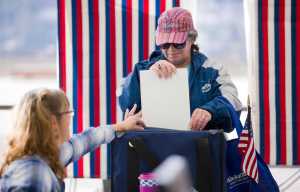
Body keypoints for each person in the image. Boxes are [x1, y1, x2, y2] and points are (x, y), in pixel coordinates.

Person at [118, 7, 242, 131]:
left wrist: (210, 110)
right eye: (165, 45)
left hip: (200, 147)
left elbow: (234, 102)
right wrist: (148, 76)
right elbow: (124, 101)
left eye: (178, 44)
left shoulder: (212, 71)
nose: (171, 50)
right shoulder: (142, 69)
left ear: (192, 39)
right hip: (154, 147)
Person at [0, 88, 144, 191]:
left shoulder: (51, 155)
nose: (70, 119)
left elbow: (87, 139)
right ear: (53, 123)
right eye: (68, 113)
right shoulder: (35, 173)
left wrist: (121, 126)